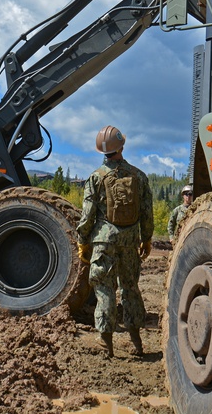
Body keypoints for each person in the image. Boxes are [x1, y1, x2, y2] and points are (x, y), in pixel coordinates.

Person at [77, 125, 153, 359]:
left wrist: (82, 240)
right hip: (130, 241)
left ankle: (106, 343)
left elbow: (88, 215)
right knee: (130, 288)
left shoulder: (95, 178)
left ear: (101, 149)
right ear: (122, 146)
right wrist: (146, 238)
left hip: (103, 242)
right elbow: (146, 213)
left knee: (104, 289)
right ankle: (137, 342)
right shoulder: (138, 176)